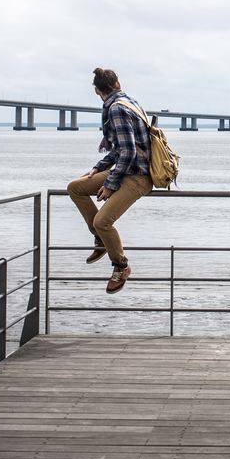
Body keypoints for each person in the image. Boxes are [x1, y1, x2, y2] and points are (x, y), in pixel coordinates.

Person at [66, 68, 152, 293]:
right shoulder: (128, 101)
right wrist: (97, 168)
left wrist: (111, 183)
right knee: (75, 187)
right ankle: (101, 240)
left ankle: (121, 266)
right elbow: (119, 150)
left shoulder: (116, 110)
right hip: (126, 169)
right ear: (117, 83)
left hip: (138, 176)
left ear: (97, 91)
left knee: (102, 221)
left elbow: (130, 152)